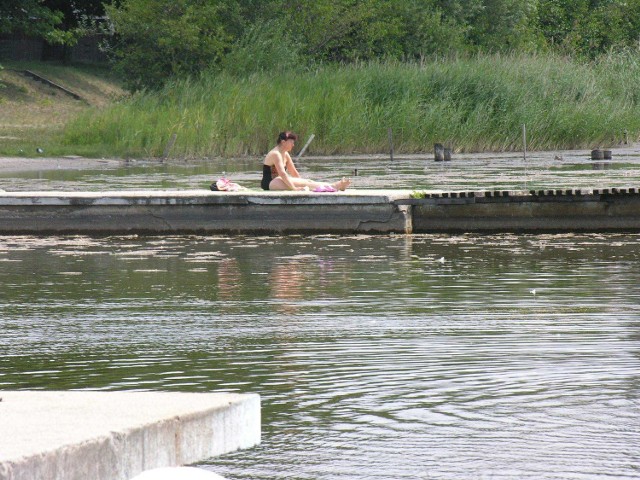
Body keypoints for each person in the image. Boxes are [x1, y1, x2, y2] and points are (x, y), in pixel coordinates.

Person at [261, 131, 351, 191]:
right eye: (291, 142)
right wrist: (294, 189)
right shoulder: (275, 154)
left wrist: (303, 181)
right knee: (303, 185)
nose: (293, 145)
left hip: (279, 180)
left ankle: (334, 186)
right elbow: (283, 174)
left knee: (308, 182)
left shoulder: (286, 154)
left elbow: (294, 173)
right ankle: (335, 186)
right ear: (283, 142)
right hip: (270, 183)